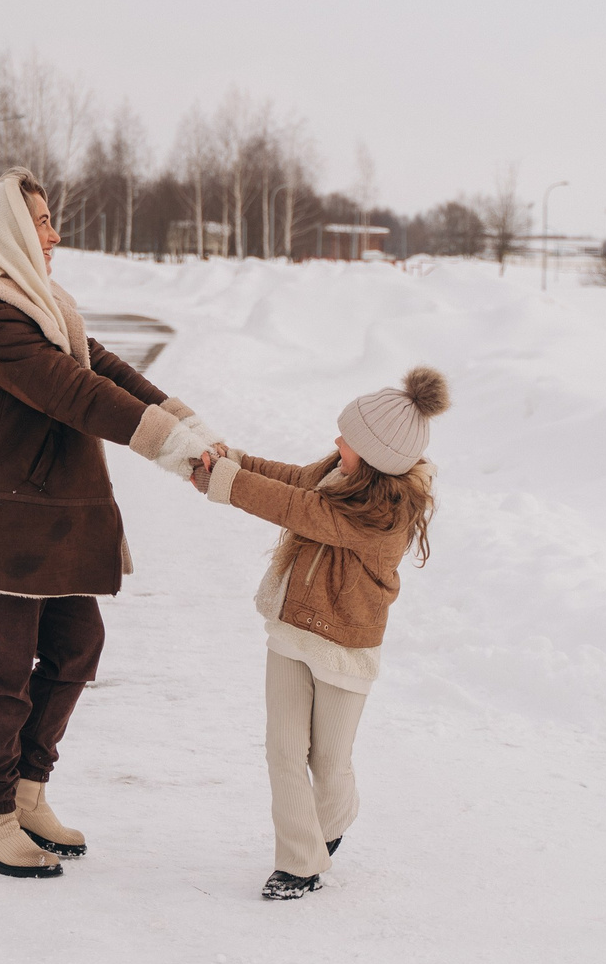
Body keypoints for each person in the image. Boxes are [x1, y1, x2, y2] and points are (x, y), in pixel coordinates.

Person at [0, 168, 218, 878]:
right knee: (1, 673)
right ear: (9, 233)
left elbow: (101, 367)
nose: (54, 236)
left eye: (50, 221)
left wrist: (187, 423)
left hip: (36, 515)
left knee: (77, 645)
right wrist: (172, 448)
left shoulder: (36, 300)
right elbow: (73, 392)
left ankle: (27, 792)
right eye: (41, 223)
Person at [190, 367, 449, 900]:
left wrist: (227, 482)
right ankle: (299, 863)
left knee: (329, 762)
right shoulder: (339, 471)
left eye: (347, 439)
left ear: (375, 459)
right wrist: (234, 460)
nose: (336, 444)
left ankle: (332, 822)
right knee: (284, 751)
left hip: (346, 647)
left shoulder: (385, 514)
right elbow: (292, 481)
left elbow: (299, 509)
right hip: (293, 628)